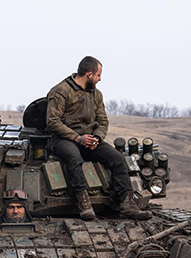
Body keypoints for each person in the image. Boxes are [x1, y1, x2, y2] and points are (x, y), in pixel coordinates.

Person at [46, 56, 151, 221]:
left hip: (90, 140)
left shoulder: (96, 95)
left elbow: (103, 121)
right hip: (63, 139)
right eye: (98, 75)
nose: (100, 79)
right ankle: (84, 203)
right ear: (89, 74)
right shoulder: (61, 91)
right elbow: (53, 122)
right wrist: (77, 138)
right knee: (74, 157)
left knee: (117, 159)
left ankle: (126, 205)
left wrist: (97, 138)